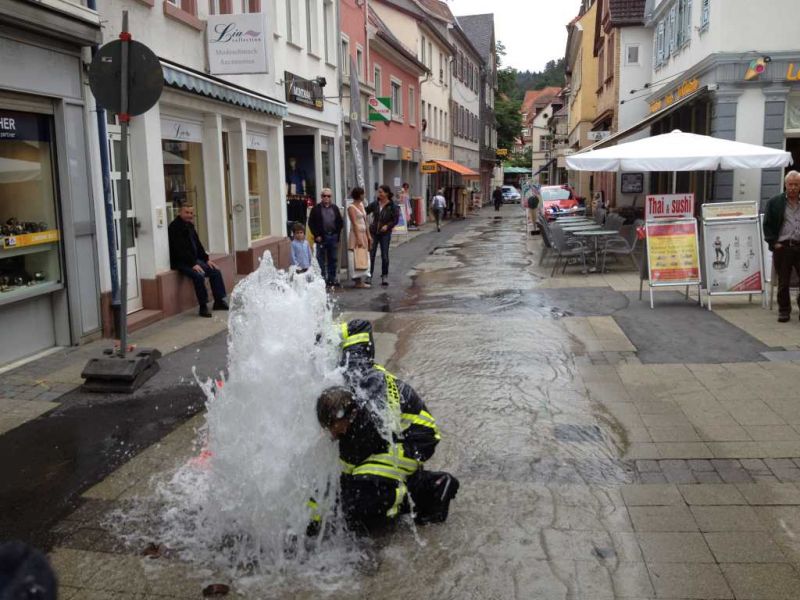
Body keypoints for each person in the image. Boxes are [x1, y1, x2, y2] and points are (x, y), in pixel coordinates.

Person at [313, 319, 458, 533]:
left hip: (419, 439)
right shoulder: (353, 371)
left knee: (361, 505)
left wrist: (317, 520)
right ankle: (406, 485)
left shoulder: (364, 430)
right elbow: (359, 326)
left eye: (332, 426)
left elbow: (345, 475)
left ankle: (429, 489)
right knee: (359, 484)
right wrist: (322, 337)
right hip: (399, 430)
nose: (330, 432)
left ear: (349, 417)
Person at [168, 203, 228, 318]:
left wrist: (206, 260)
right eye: (186, 212)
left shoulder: (190, 226)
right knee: (199, 275)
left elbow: (198, 245)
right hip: (181, 262)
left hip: (194, 260)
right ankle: (203, 306)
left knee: (215, 271)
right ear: (179, 212)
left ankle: (219, 301)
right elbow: (179, 249)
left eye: (191, 213)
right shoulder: (174, 228)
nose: (189, 215)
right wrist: (193, 264)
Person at [763, 170, 800, 322]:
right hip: (783, 247)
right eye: (790, 184)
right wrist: (773, 243)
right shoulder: (775, 202)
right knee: (783, 282)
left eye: (796, 184)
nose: (793, 187)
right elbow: (768, 224)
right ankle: (784, 310)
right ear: (785, 185)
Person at [308, 188, 344, 288]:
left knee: (333, 259)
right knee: (321, 260)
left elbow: (340, 222)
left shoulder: (335, 208)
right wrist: (316, 235)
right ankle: (322, 279)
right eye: (324, 196)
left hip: (333, 236)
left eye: (328, 196)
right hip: (321, 238)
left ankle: (331, 279)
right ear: (321, 197)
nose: (326, 198)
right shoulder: (316, 209)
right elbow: (311, 223)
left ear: (331, 197)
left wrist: (337, 233)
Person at [366, 185, 399, 287]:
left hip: (385, 233)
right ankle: (369, 276)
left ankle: (384, 276)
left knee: (385, 255)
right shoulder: (375, 204)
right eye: (378, 192)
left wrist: (388, 226)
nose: (379, 194)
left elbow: (395, 220)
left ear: (387, 193)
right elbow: (364, 211)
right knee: (371, 254)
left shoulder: (392, 206)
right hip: (374, 232)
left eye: (381, 192)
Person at [347, 187, 372, 288]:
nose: (364, 195)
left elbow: (366, 221)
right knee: (355, 256)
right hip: (356, 233)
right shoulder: (351, 207)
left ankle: (361, 280)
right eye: (363, 194)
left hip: (363, 233)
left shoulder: (361, 205)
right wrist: (358, 238)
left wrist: (369, 235)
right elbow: (354, 223)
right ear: (359, 195)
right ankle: (358, 281)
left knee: (363, 255)